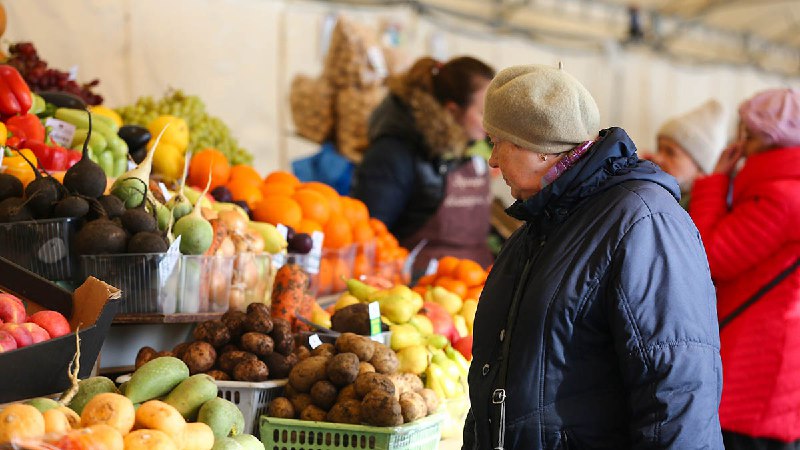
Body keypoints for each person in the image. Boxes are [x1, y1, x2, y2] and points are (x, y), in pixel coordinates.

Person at [463, 64, 724, 449]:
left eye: (497, 141)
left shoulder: (643, 221)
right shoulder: (543, 222)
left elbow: (678, 386)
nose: (493, 160)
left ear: (537, 148)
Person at [689, 88, 800, 450]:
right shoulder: (781, 190)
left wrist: (714, 182)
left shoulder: (780, 198)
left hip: (754, 371)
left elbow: (709, 258)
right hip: (770, 361)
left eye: (745, 135)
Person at [351, 56, 495, 274]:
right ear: (452, 110)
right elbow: (369, 233)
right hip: (419, 290)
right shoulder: (396, 152)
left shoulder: (478, 148)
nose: (491, 124)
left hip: (477, 284)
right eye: (483, 113)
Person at [649, 99, 728, 209]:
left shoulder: (697, 212)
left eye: (670, 152)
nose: (657, 158)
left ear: (700, 170)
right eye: (658, 149)